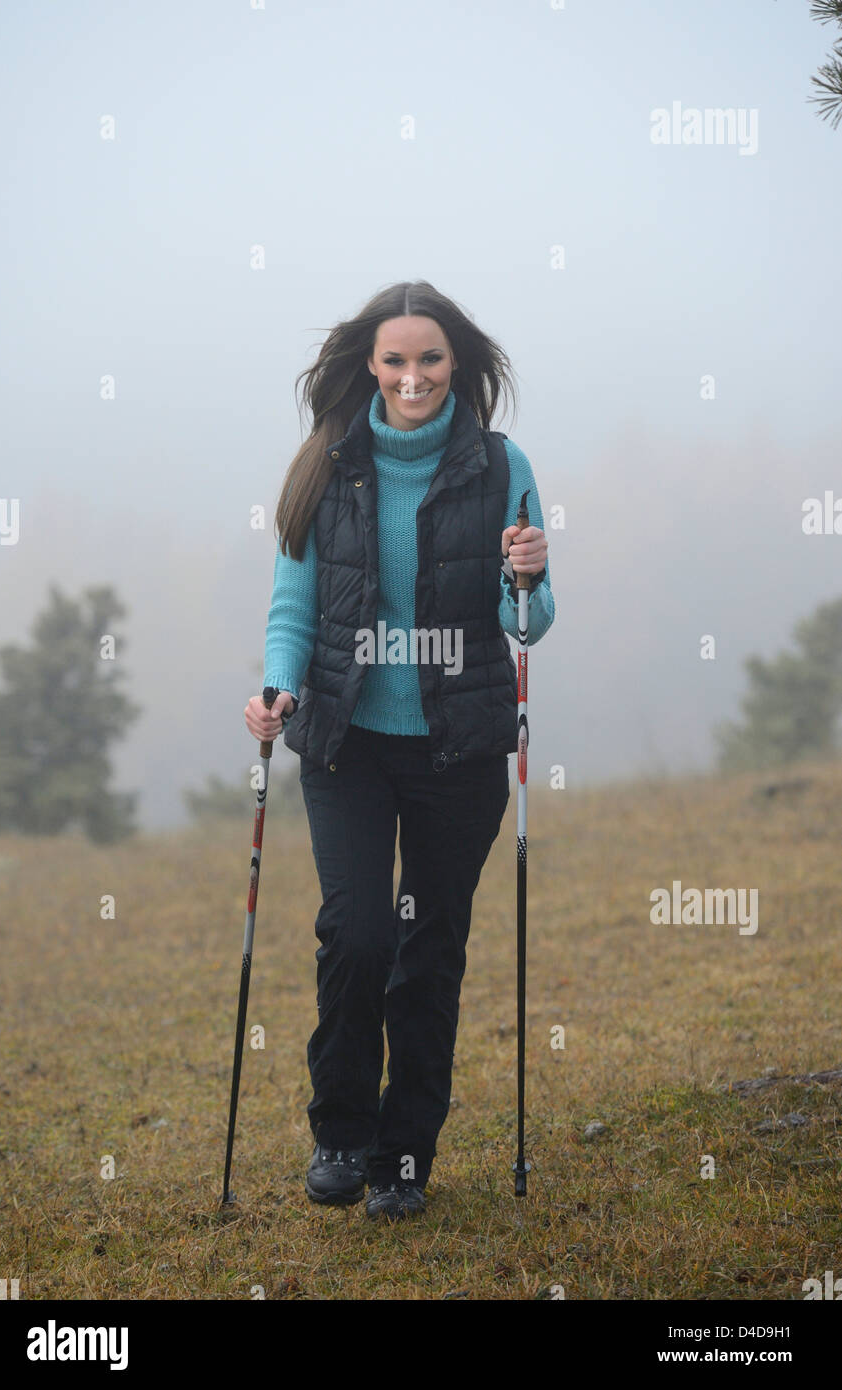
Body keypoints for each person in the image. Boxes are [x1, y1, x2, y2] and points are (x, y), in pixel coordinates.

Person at [244, 280, 554, 1221]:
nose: (411, 376)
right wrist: (277, 688)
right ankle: (339, 1134)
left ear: (456, 363)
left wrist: (528, 578)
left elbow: (527, 624)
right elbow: (294, 607)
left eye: (429, 358)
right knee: (358, 932)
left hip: (458, 749)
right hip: (345, 743)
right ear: (368, 365)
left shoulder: (502, 465)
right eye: (394, 359)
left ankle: (401, 1160)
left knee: (428, 953)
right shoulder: (324, 466)